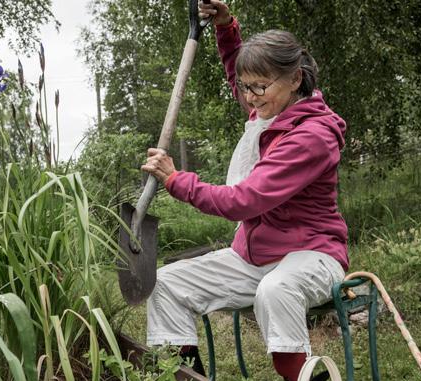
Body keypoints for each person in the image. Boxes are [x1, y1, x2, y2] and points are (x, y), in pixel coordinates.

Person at [141, 1, 348, 380]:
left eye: (259, 87)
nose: (250, 97)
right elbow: (241, 66)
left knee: (276, 288)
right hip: (255, 257)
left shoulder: (311, 137)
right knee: (166, 284)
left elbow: (245, 200)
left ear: (295, 80)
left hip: (312, 255)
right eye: (245, 87)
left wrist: (177, 181)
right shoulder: (271, 109)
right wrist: (225, 27)